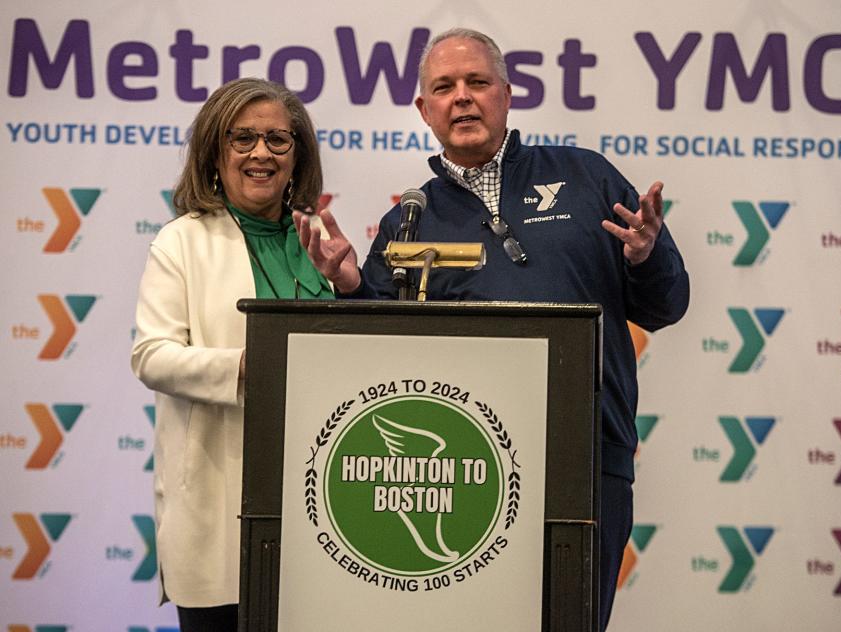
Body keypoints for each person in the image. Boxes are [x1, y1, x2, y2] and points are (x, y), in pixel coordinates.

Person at [295, 28, 689, 630]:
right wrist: (351, 286)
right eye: (444, 88)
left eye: (477, 82)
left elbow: (667, 306)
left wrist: (645, 257)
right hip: (464, 469)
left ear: (507, 94)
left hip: (585, 457)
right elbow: (379, 361)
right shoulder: (409, 219)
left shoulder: (588, 180)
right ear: (423, 111)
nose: (462, 98)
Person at [131, 77, 331, 632]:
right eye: (242, 139)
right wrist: (243, 366)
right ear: (215, 153)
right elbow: (151, 355)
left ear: (298, 156)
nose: (261, 153)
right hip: (220, 503)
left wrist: (355, 288)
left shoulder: (316, 242)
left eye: (277, 139)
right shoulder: (182, 241)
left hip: (320, 503)